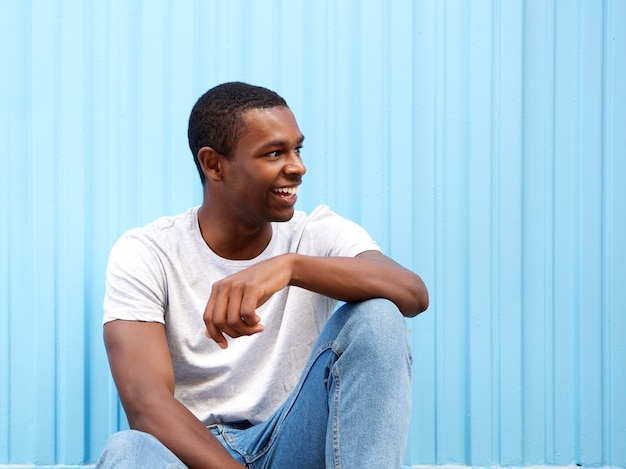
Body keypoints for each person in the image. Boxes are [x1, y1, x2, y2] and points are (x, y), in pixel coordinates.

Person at [96, 82, 429, 469]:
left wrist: (290, 267)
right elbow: (147, 405)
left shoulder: (314, 233)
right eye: (274, 153)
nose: (297, 167)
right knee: (127, 451)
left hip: (291, 437)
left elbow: (412, 294)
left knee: (378, 316)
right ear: (213, 164)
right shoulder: (147, 252)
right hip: (192, 454)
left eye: (297, 149)